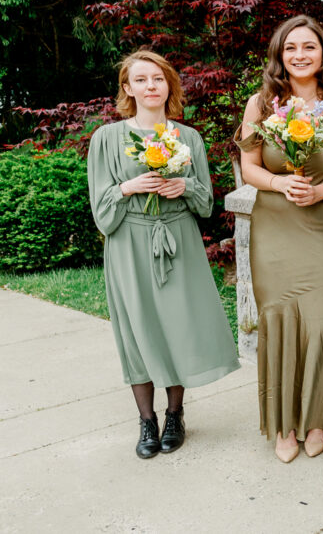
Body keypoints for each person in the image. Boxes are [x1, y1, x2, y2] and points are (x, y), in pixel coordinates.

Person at [87, 50, 239, 459]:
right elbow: (100, 211)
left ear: (168, 85)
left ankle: (175, 414)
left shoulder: (188, 138)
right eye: (141, 80)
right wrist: (128, 188)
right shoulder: (107, 138)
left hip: (178, 240)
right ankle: (147, 421)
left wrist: (183, 187)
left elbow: (206, 202)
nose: (150, 86)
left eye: (158, 79)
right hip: (129, 243)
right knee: (138, 329)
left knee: (179, 325)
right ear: (127, 88)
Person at [236, 15, 323, 463]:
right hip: (276, 227)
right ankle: (283, 425)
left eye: (309, 47)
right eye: (291, 48)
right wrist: (280, 183)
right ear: (279, 56)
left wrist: (322, 190)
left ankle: (318, 420)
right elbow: (248, 167)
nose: (300, 55)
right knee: (280, 323)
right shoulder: (261, 104)